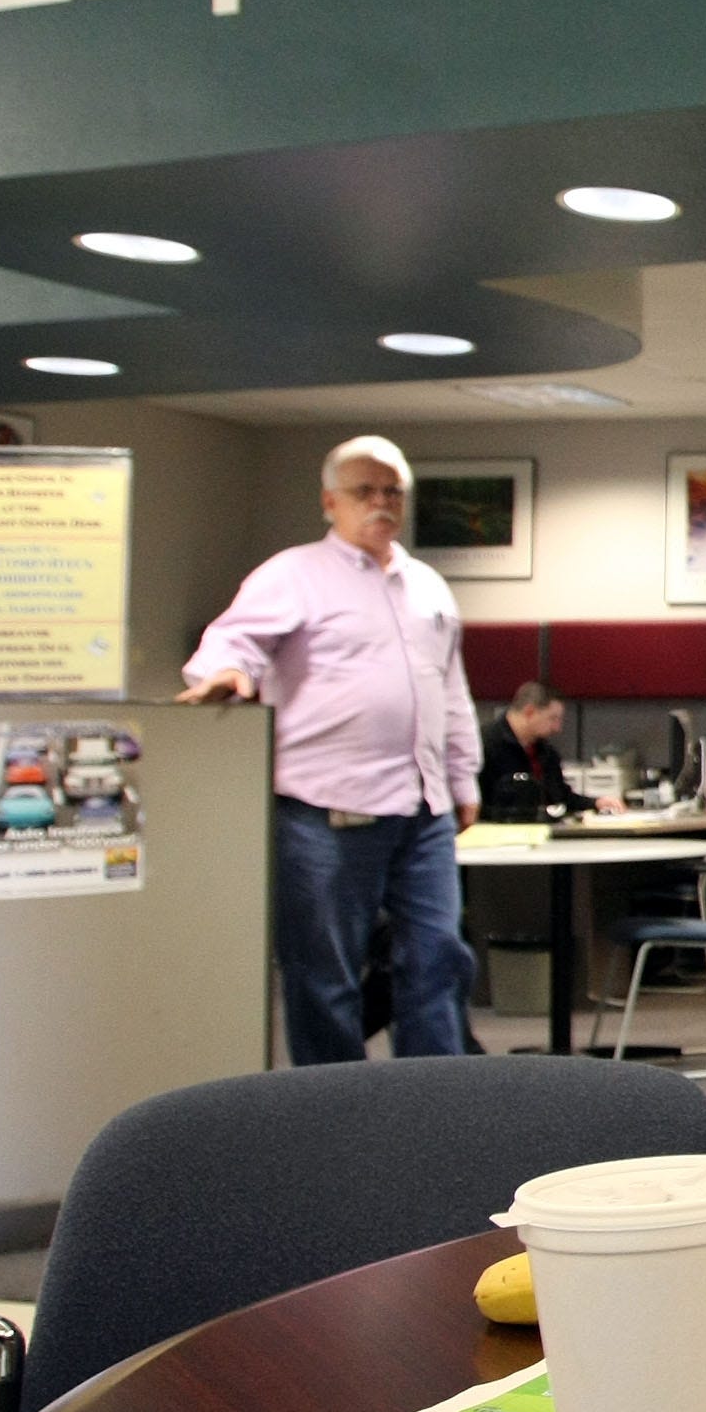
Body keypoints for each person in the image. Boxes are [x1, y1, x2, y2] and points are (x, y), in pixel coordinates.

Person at [179, 436, 482, 1066]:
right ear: (329, 502)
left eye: (392, 491)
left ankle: (440, 1102)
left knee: (437, 960)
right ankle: (332, 1110)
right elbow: (233, 642)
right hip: (325, 809)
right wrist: (229, 676)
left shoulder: (426, 586)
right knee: (325, 973)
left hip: (422, 810)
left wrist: (464, 779)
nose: (381, 503)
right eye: (364, 491)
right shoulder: (293, 574)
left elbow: (449, 688)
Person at [479, 681, 624, 821]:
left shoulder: (545, 753)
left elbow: (560, 798)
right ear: (530, 712)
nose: (557, 728)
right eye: (553, 719)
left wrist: (596, 803)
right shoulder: (483, 746)